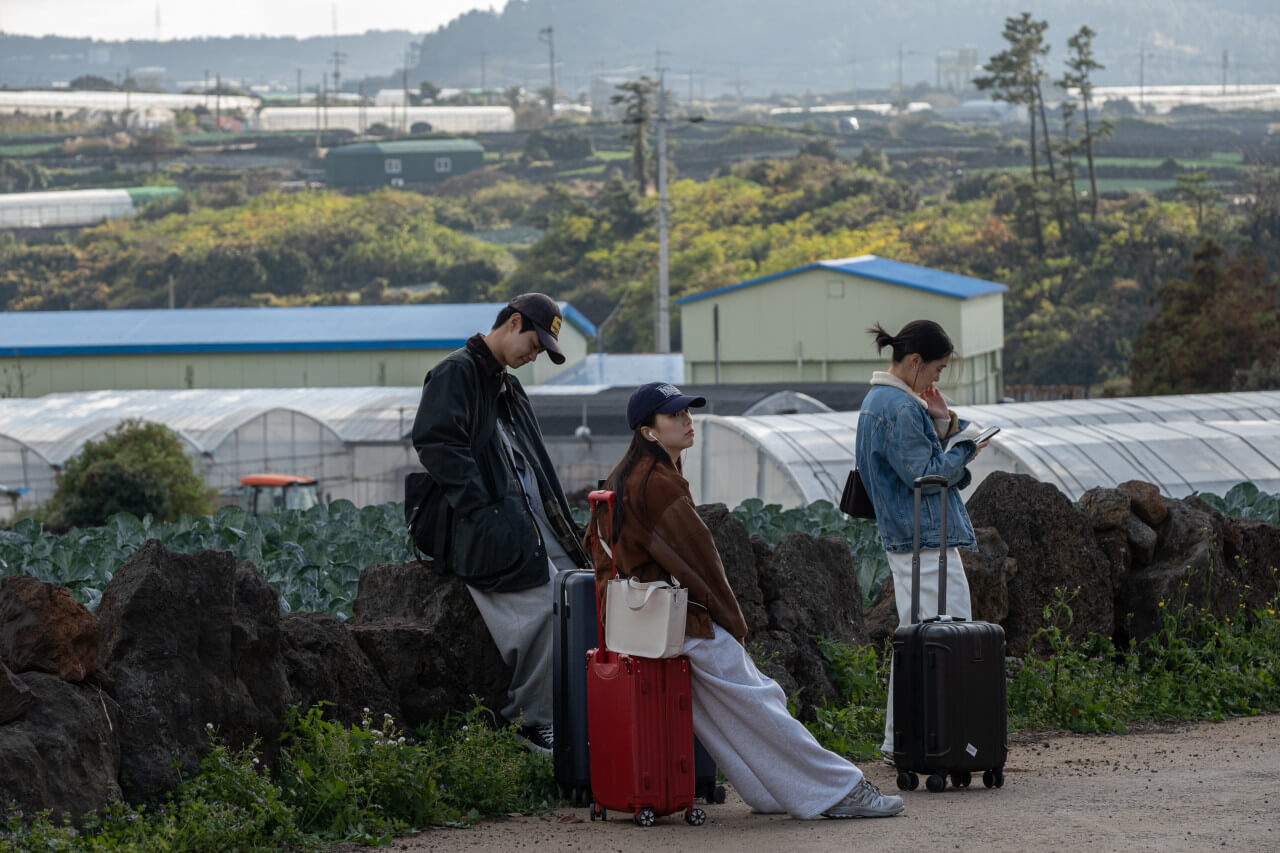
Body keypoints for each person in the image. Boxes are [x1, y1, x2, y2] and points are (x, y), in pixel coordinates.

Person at [586, 381, 904, 820]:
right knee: (760, 701)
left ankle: (769, 792)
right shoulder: (659, 484)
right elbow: (702, 565)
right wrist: (731, 625)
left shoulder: (624, 476)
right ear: (648, 432)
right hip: (681, 622)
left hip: (641, 628)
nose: (687, 419)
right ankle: (842, 789)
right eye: (673, 415)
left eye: (687, 411)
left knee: (719, 717)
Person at [412, 293, 590, 753]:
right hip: (485, 527)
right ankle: (532, 722)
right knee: (552, 607)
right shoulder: (457, 372)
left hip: (523, 521)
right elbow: (437, 444)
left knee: (583, 590)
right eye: (534, 344)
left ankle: (571, 714)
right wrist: (483, 511)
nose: (533, 357)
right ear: (513, 323)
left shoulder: (505, 383)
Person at [853, 320, 987, 763]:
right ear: (914, 362)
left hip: (907, 537)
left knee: (918, 639)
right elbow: (926, 476)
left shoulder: (879, 402)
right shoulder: (899, 407)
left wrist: (943, 424)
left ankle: (905, 740)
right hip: (927, 537)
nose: (936, 379)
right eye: (937, 369)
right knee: (947, 638)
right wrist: (964, 444)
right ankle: (943, 741)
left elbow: (912, 466)